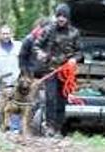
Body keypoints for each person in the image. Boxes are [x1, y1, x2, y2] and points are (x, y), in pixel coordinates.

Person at [35, 3, 81, 135]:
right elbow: (37, 45)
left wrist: (74, 59)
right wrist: (40, 53)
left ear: (68, 18)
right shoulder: (49, 30)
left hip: (66, 72)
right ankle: (49, 126)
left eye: (64, 16)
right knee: (50, 98)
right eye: (59, 16)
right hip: (50, 70)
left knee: (62, 99)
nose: (61, 19)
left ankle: (58, 128)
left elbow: (79, 53)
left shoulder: (74, 33)